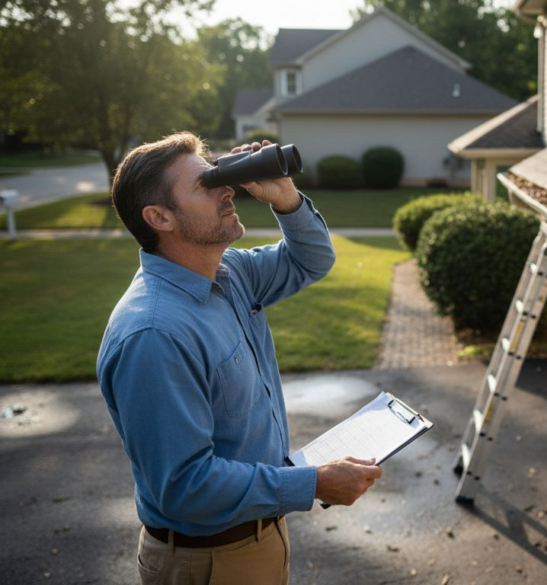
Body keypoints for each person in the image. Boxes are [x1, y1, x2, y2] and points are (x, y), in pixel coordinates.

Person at [96, 132, 383, 584]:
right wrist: (313, 483)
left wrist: (285, 198)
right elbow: (185, 487)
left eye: (220, 174)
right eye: (205, 183)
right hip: (207, 560)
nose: (226, 188)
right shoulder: (154, 333)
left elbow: (312, 260)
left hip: (259, 536)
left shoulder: (230, 274)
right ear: (159, 217)